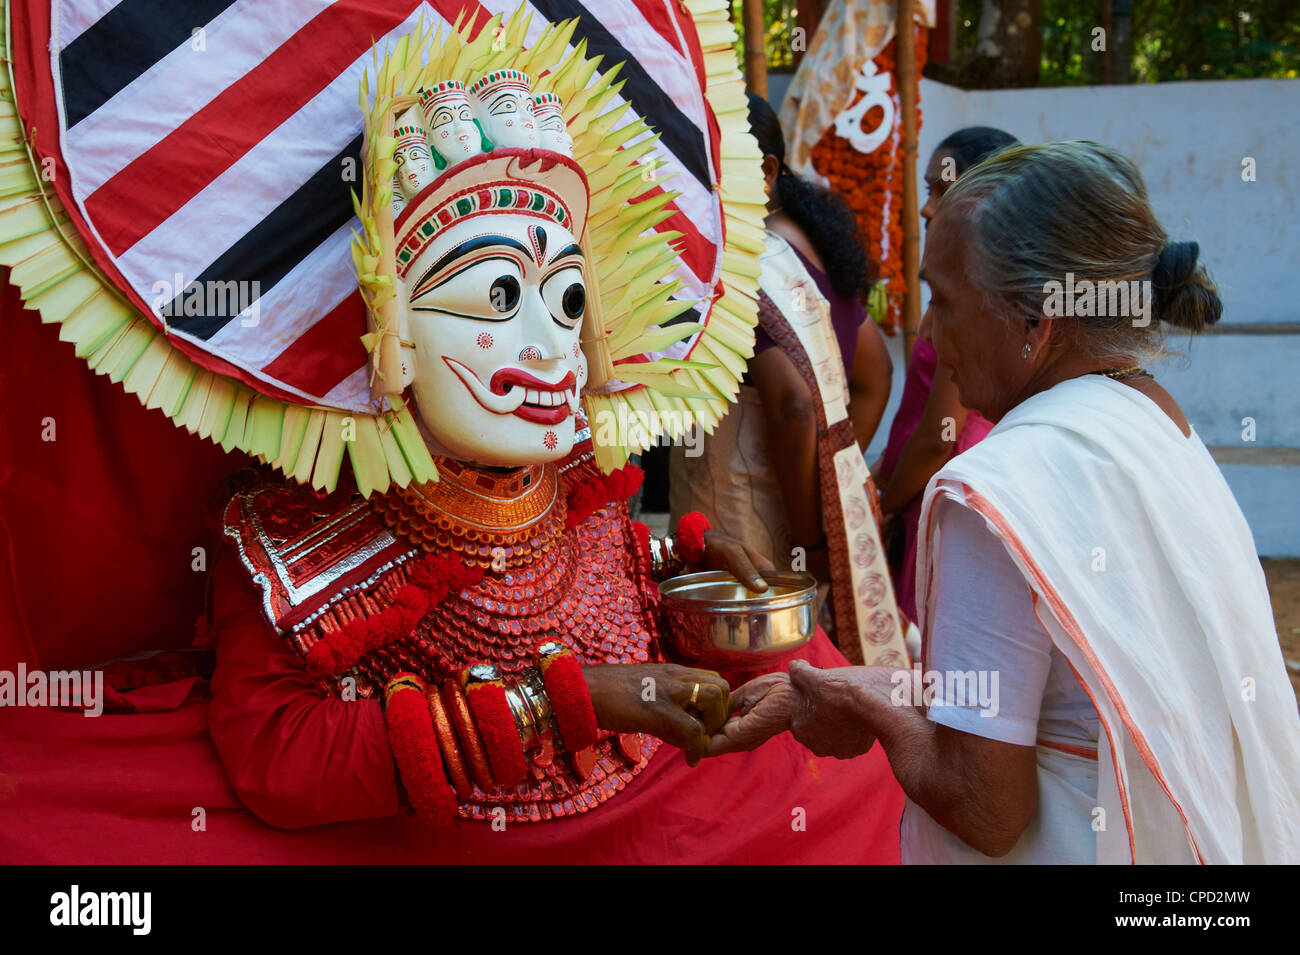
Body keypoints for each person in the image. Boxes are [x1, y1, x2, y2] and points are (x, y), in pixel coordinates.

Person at [708, 141, 1300, 864]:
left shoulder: (994, 491)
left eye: (945, 301)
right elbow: (1051, 692)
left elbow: (985, 808)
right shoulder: (1155, 418)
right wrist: (857, 684)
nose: (928, 331)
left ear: (1035, 324)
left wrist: (869, 709)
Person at [670, 94, 906, 666]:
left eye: (704, 166)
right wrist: (832, 481)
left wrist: (807, 536)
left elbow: (795, 405)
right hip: (794, 524)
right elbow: (877, 375)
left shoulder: (744, 268)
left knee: (755, 693)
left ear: (767, 172)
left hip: (748, 532)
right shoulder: (808, 252)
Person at [874, 127, 1017, 624]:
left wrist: (883, 506)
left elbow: (941, 433)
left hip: (942, 482)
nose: (926, 207)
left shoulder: (971, 289)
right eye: (927, 188)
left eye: (941, 189)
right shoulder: (972, 276)